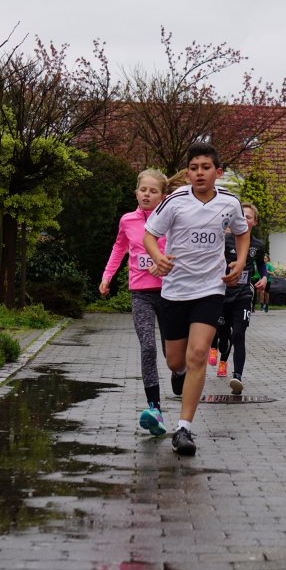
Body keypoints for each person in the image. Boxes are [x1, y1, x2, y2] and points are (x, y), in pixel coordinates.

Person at [143, 141, 250, 456]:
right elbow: (149, 235)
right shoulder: (175, 201)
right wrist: (158, 257)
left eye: (206, 167)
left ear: (218, 172)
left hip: (210, 288)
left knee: (199, 353)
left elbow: (242, 232)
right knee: (176, 361)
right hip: (175, 290)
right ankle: (178, 374)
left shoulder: (230, 202)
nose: (200, 173)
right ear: (187, 173)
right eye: (194, 168)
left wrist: (240, 261)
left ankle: (184, 428)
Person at [99, 169, 168, 437]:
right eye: (143, 190)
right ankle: (155, 409)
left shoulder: (170, 220)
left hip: (170, 292)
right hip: (141, 293)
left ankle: (179, 374)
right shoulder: (127, 220)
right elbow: (119, 248)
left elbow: (181, 249)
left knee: (172, 354)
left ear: (162, 196)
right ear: (136, 193)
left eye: (153, 191)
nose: (147, 195)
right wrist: (107, 276)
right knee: (148, 347)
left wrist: (164, 263)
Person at [215, 202, 267, 393]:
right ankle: (222, 343)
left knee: (239, 334)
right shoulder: (224, 240)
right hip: (222, 293)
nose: (244, 219)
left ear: (254, 222)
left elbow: (261, 265)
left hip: (244, 294)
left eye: (248, 217)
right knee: (222, 333)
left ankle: (237, 376)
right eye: (242, 215)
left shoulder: (257, 245)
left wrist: (264, 277)